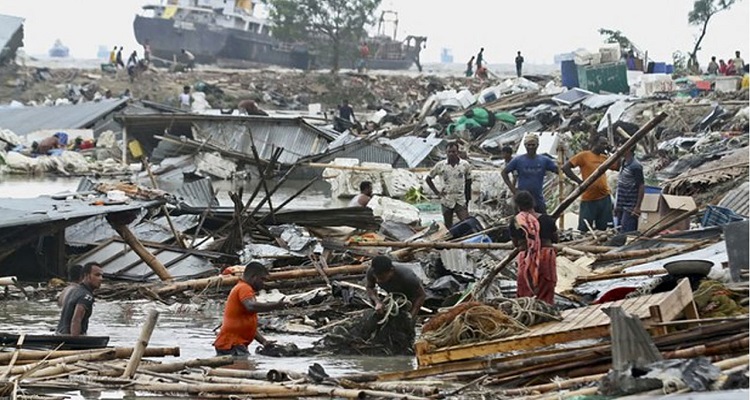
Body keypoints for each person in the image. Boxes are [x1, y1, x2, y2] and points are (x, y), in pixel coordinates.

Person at [213, 262, 287, 356]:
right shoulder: (244, 288)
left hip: (231, 344)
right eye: (262, 279)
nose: (263, 283)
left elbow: (247, 325)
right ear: (254, 277)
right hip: (231, 344)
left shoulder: (242, 288)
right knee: (245, 367)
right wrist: (275, 305)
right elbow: (251, 306)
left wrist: (264, 342)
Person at [509, 191, 558, 305]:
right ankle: (546, 309)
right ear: (533, 204)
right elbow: (555, 239)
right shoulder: (547, 219)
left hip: (526, 257)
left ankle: (527, 311)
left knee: (525, 286)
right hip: (546, 255)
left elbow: (516, 243)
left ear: (518, 206)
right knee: (546, 286)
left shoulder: (516, 221)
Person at [562, 136, 619, 232]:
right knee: (584, 228)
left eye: (606, 144)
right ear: (594, 143)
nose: (604, 146)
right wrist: (579, 181)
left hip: (604, 198)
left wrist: (614, 152)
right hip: (589, 198)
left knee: (604, 229)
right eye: (602, 143)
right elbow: (566, 168)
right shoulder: (584, 156)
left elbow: (617, 167)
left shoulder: (605, 158)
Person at [502, 134, 558, 214]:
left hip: (538, 198)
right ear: (525, 146)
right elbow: (504, 173)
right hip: (523, 199)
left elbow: (558, 170)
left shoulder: (544, 160)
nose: (531, 147)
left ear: (537, 145)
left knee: (543, 220)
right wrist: (513, 190)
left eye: (533, 145)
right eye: (528, 145)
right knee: (522, 222)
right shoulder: (518, 160)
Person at [426, 141, 472, 228]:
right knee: (448, 225)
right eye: (449, 152)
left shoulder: (465, 165)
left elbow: (468, 182)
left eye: (453, 152)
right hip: (446, 199)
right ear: (446, 153)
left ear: (457, 152)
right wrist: (437, 193)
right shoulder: (440, 165)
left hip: (460, 199)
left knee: (466, 222)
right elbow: (428, 179)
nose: (451, 154)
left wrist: (468, 199)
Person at [366, 256, 426, 320]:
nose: (378, 281)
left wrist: (411, 315)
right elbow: (369, 287)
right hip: (392, 294)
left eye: (381, 278)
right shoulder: (371, 271)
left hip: (410, 295)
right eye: (376, 277)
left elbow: (421, 295)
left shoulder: (407, 277)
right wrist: (377, 302)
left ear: (391, 271)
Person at [56, 262, 103, 336]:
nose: (101, 279)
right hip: (70, 340)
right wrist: (75, 342)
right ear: (86, 276)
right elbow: (76, 320)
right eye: (97, 275)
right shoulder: (86, 296)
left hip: (60, 334)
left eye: (101, 276)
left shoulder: (73, 291)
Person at [615, 146, 645, 233]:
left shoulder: (635, 166)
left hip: (630, 207)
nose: (618, 149)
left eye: (621, 146)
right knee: (619, 231)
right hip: (621, 205)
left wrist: (637, 207)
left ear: (628, 148)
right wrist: (617, 206)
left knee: (627, 233)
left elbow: (641, 186)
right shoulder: (623, 163)